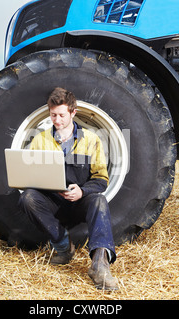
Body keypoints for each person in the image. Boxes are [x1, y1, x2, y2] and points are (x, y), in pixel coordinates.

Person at [18, 87, 119, 290]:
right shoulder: (40, 140)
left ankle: (100, 264)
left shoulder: (91, 140)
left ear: (73, 113)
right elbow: (29, 177)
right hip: (52, 203)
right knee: (27, 198)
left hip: (80, 202)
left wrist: (82, 191)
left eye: (62, 115)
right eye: (53, 115)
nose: (57, 120)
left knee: (99, 200)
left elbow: (101, 179)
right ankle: (64, 247)